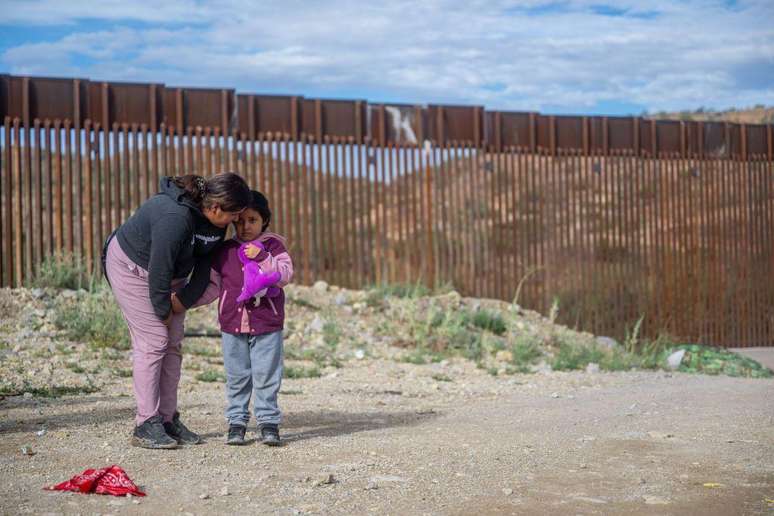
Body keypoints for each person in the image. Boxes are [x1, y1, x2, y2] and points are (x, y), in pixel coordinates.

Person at [103, 172, 251, 449]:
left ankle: (167, 419)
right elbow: (158, 269)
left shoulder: (215, 223)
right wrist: (164, 310)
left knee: (172, 345)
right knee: (155, 341)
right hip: (132, 268)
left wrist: (181, 301)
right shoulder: (175, 217)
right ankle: (145, 423)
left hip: (169, 276)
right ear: (216, 207)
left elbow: (205, 264)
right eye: (235, 215)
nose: (236, 222)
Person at [198, 190, 293, 446]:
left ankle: (268, 423)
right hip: (232, 324)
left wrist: (263, 257)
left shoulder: (274, 246)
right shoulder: (225, 251)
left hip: (267, 324)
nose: (245, 226)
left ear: (264, 220)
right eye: (239, 221)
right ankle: (237, 422)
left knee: (266, 375)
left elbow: (284, 276)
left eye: (252, 220)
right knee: (237, 375)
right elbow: (213, 287)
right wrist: (184, 303)